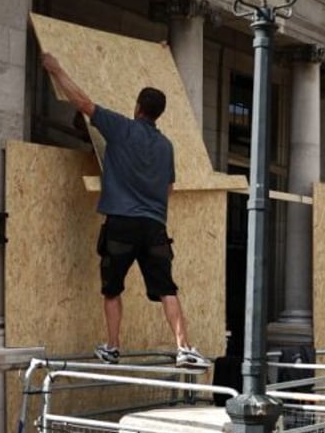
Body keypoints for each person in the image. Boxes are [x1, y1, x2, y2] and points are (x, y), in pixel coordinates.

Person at [41, 52, 210, 369]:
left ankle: (113, 347)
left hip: (121, 223)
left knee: (112, 289)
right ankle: (184, 347)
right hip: (154, 226)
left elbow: (82, 102)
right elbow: (169, 188)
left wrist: (57, 69)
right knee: (166, 289)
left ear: (137, 107)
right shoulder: (167, 146)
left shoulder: (120, 128)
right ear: (158, 114)